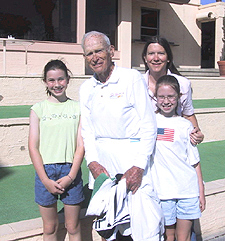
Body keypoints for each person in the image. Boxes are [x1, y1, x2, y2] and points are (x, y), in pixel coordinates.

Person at [80, 31, 164, 241]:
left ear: (111, 51)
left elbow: (148, 125)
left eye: (99, 50)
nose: (95, 57)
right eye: (89, 53)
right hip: (103, 168)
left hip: (132, 165)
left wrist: (138, 166)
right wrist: (92, 162)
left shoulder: (131, 78)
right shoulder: (85, 88)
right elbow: (87, 130)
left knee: (139, 230)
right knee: (108, 230)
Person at [28, 59, 84, 241]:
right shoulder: (38, 109)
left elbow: (80, 146)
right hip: (46, 172)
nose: (57, 84)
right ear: (45, 82)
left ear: (67, 79)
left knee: (73, 226)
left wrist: (71, 176)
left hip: (71, 172)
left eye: (61, 79)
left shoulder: (78, 108)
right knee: (50, 227)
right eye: (51, 80)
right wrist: (45, 180)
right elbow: (33, 147)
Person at [151, 75, 206, 241]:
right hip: (163, 192)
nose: (166, 101)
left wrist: (201, 192)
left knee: (184, 237)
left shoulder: (186, 125)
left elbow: (195, 162)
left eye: (171, 96)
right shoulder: (150, 122)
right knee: (169, 236)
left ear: (179, 97)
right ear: (155, 97)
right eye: (161, 96)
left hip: (187, 191)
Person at [142, 36, 204, 145]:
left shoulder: (183, 84)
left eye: (161, 53)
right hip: (144, 142)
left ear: (168, 58)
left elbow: (188, 115)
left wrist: (196, 133)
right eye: (151, 53)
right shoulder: (137, 83)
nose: (156, 58)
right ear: (145, 58)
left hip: (172, 143)